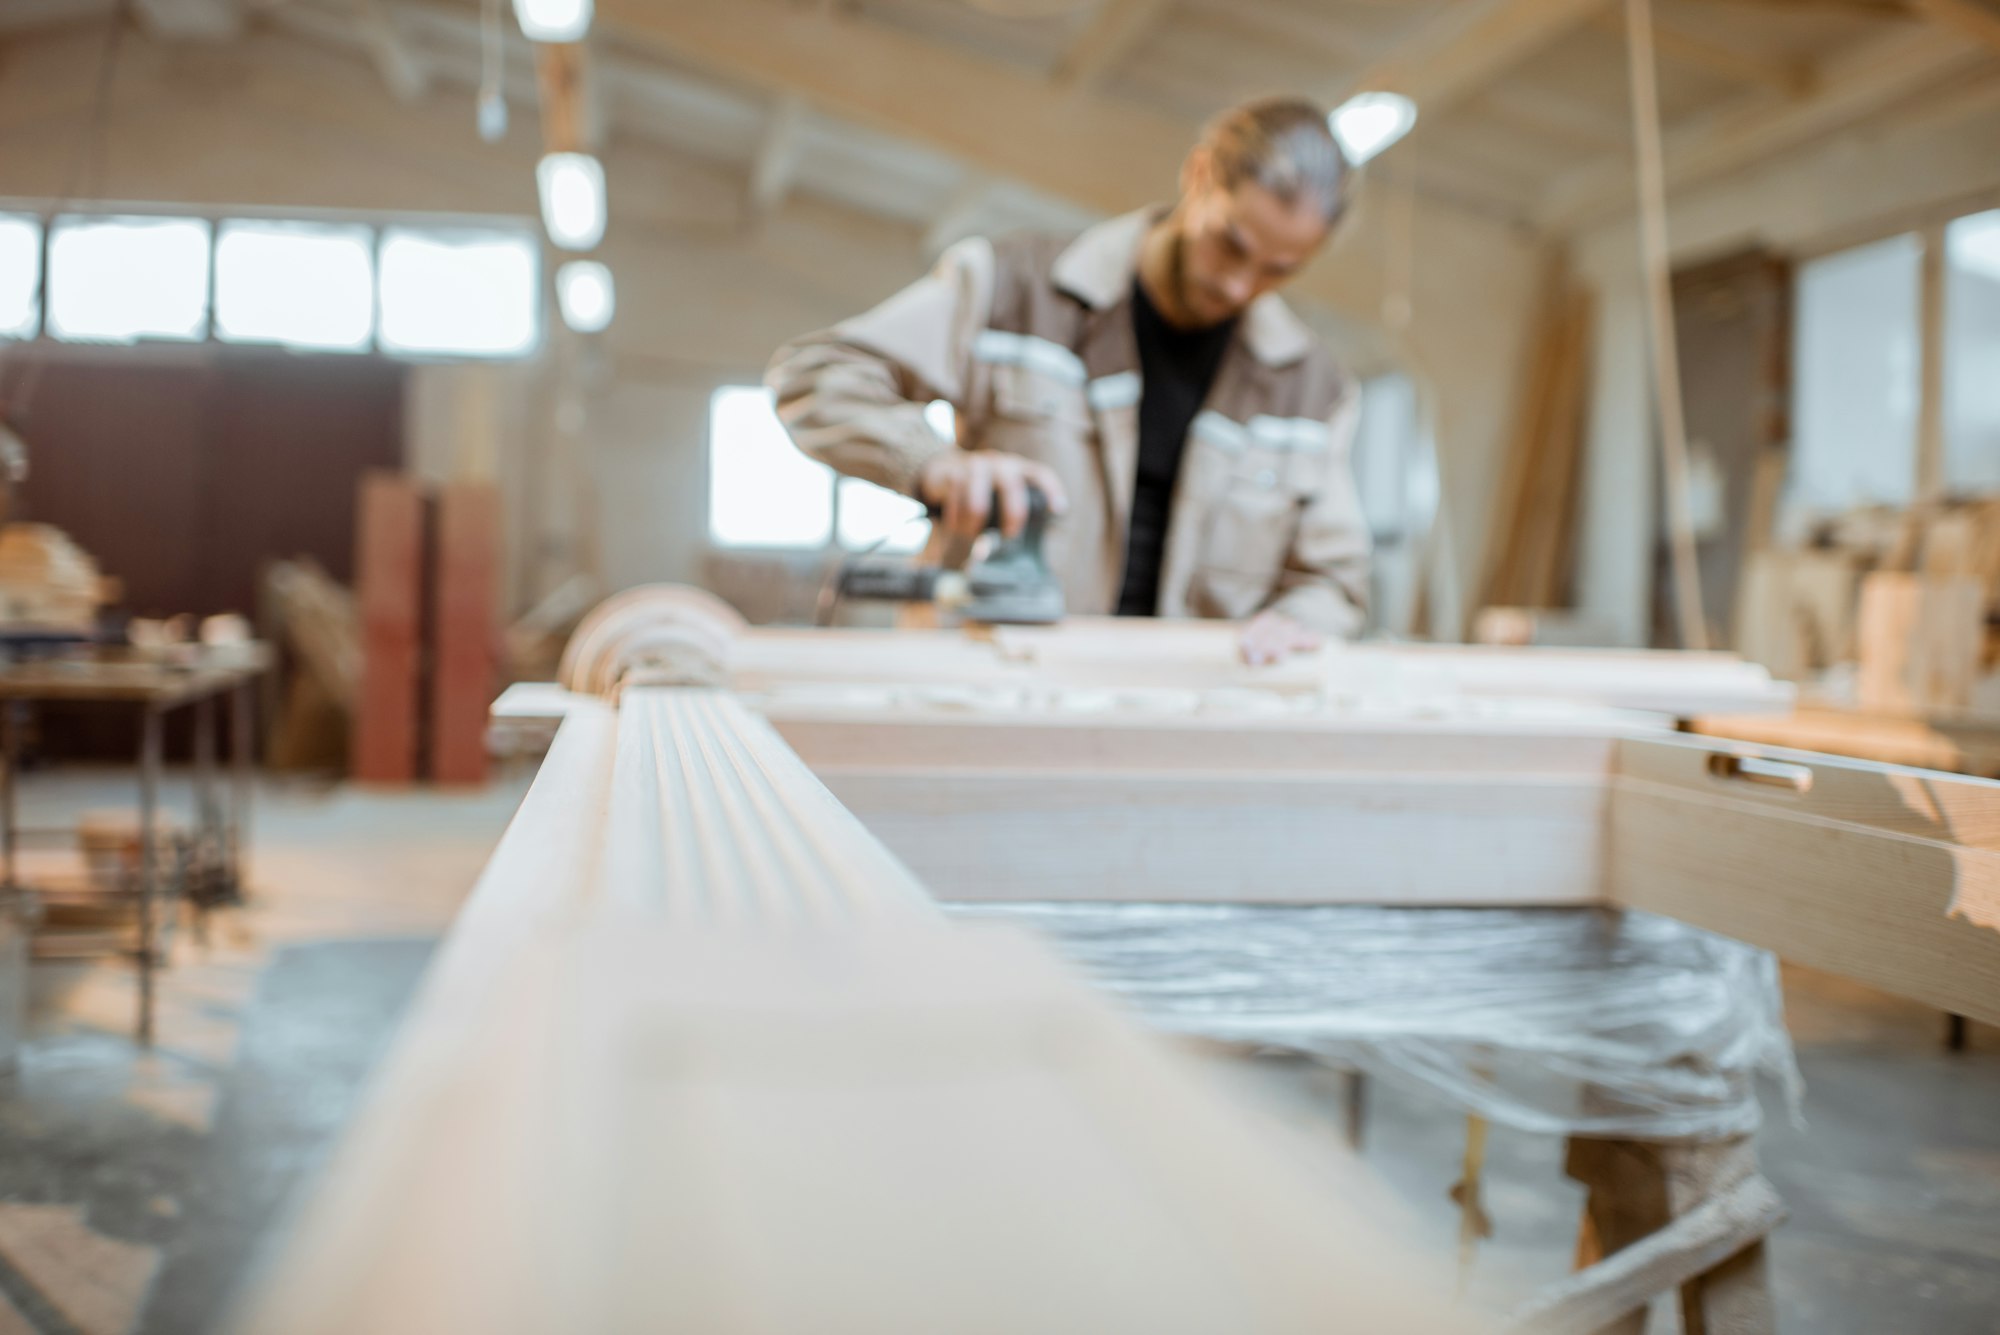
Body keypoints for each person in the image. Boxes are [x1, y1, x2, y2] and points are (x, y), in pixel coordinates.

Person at [766, 95, 1369, 664]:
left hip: (1184, 704)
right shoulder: (1012, 290)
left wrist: (1298, 623)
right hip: (991, 682)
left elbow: (1333, 582)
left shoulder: (1314, 389)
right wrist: (932, 463)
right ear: (1200, 175)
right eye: (1230, 245)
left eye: (1277, 270)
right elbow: (816, 374)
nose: (1239, 286)